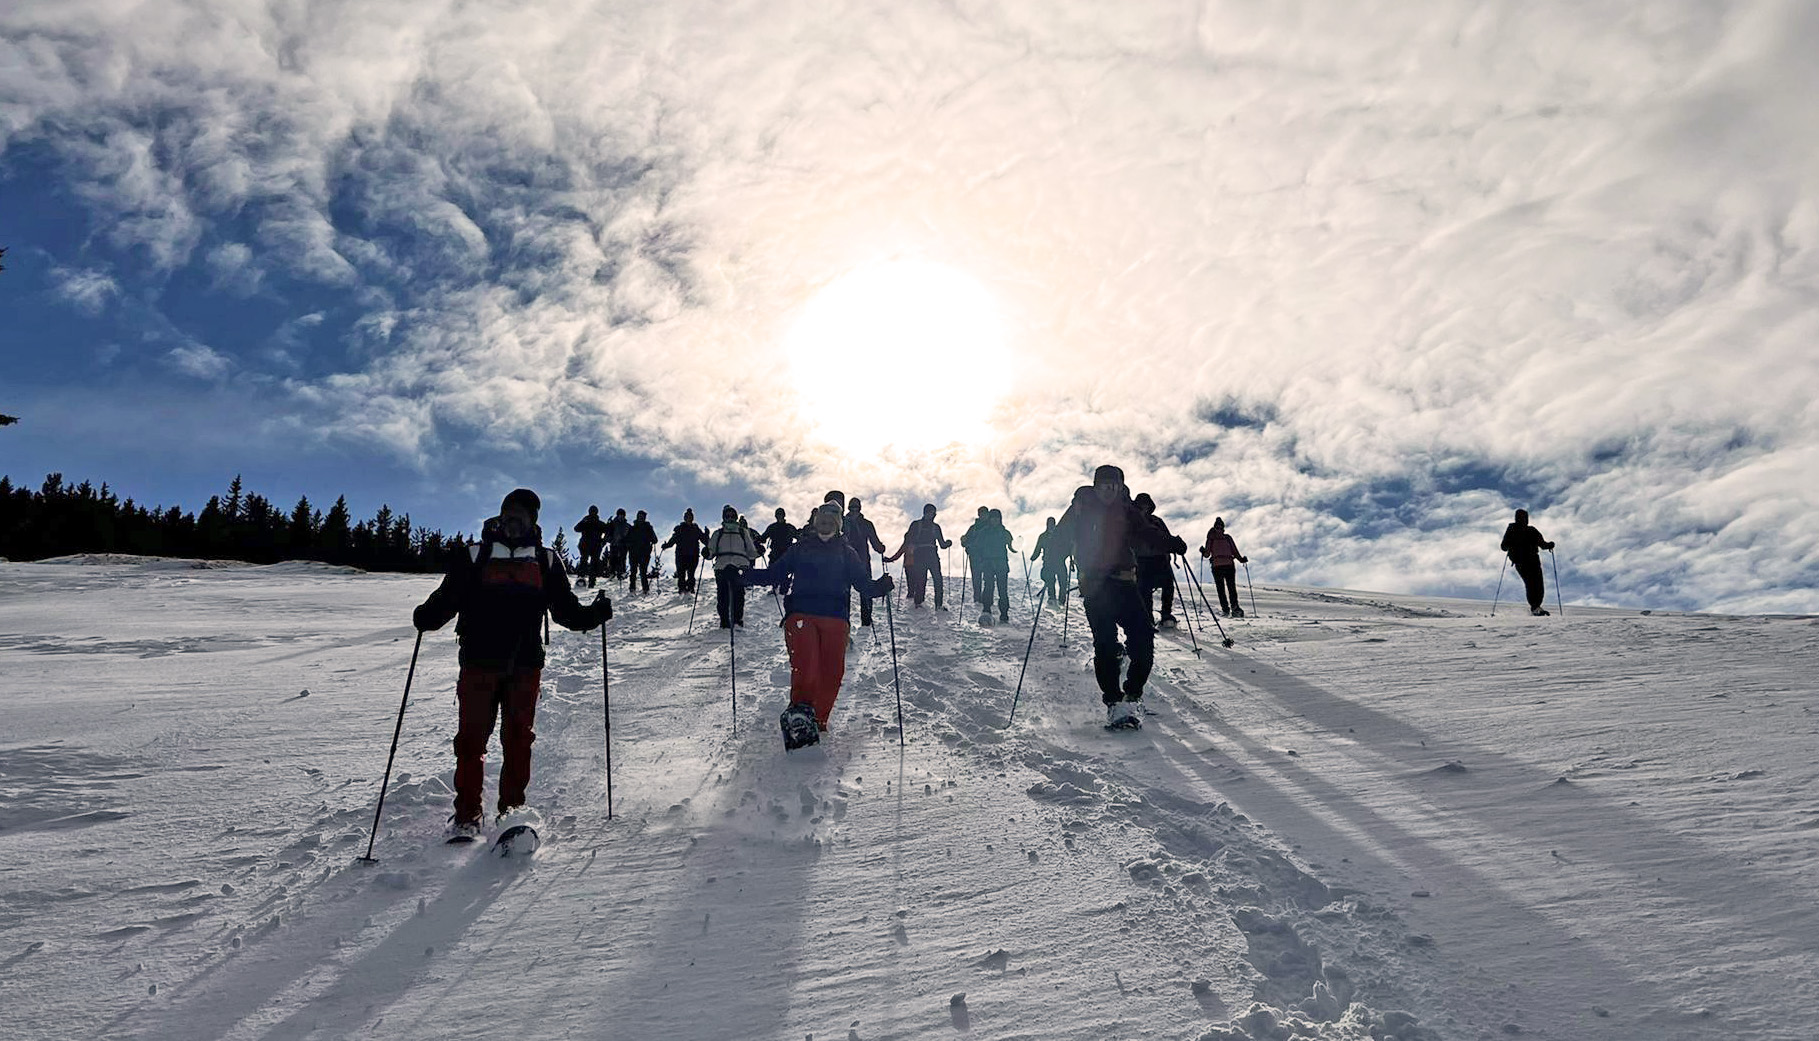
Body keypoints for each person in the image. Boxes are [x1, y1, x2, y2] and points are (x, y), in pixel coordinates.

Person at [412, 488, 612, 839]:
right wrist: (427, 617)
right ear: (500, 515)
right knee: (471, 740)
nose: (513, 520)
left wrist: (594, 614)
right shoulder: (474, 555)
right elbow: (447, 599)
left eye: (522, 514)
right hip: (477, 662)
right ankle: (467, 815)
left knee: (518, 739)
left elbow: (565, 612)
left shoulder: (546, 561)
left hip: (524, 665)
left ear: (534, 520)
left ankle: (512, 814)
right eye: (509, 512)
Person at [743, 503, 894, 748]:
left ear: (838, 525)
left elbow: (863, 585)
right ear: (816, 522)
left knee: (833, 674)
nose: (825, 523)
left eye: (831, 520)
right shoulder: (800, 548)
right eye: (822, 519)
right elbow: (775, 574)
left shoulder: (847, 552)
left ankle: (817, 721)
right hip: (802, 614)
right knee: (807, 666)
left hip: (836, 618)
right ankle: (799, 716)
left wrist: (880, 587)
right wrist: (742, 575)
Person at [1051, 465, 1154, 729]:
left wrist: (1170, 542)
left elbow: (1146, 533)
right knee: (1105, 642)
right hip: (1096, 586)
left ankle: (1133, 693)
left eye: (1115, 486)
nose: (1110, 490)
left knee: (1143, 638)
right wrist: (1053, 556)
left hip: (1125, 583)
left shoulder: (1127, 510)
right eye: (1105, 485)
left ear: (1121, 487)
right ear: (1096, 487)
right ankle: (1115, 703)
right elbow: (1061, 536)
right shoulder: (1081, 507)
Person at [1132, 493, 1188, 627]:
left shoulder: (1156, 520)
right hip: (1143, 559)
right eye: (1141, 505)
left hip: (1157, 558)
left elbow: (1166, 536)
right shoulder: (1137, 521)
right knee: (1146, 589)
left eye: (1146, 505)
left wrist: (1173, 544)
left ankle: (1164, 614)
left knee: (1167, 585)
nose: (1144, 507)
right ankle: (1150, 616)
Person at [887, 504, 952, 609]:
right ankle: (935, 604)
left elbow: (908, 539)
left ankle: (920, 602)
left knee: (923, 579)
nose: (933, 514)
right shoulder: (935, 527)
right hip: (931, 555)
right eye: (932, 512)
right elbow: (942, 544)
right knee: (935, 579)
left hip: (920, 555)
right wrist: (948, 543)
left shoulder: (916, 525)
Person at [707, 504, 759, 628]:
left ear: (735, 518)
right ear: (724, 518)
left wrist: (758, 552)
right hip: (722, 566)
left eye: (732, 516)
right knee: (723, 596)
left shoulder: (743, 532)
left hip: (740, 565)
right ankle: (724, 620)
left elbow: (751, 552)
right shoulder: (717, 534)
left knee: (738, 595)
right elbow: (711, 552)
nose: (730, 518)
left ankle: (737, 620)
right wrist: (707, 552)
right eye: (727, 516)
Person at [1500, 508, 1556, 616]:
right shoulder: (1521, 530)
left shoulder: (1516, 529)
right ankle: (1535, 607)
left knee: (1534, 584)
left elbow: (1503, 546)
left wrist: (1549, 545)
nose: (1523, 519)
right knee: (1534, 583)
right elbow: (1543, 544)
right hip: (1526, 561)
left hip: (1526, 561)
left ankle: (1536, 607)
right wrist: (1549, 545)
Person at [843, 497, 888, 626]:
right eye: (853, 508)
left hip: (847, 561)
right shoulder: (865, 524)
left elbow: (874, 542)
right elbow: (875, 542)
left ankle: (847, 620)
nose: (854, 510)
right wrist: (880, 548)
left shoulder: (843, 523)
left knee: (847, 591)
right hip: (861, 561)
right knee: (864, 589)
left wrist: (879, 548)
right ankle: (865, 620)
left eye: (855, 508)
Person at [970, 508, 1016, 624]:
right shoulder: (987, 532)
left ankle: (1003, 613)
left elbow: (1011, 546)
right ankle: (987, 610)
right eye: (993, 518)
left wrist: (1016, 547)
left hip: (998, 563)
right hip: (990, 563)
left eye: (997, 518)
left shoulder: (1002, 532)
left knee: (1002, 589)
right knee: (989, 587)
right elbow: (977, 546)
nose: (995, 520)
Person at [1199, 518, 1247, 617]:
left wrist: (1203, 551)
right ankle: (1235, 608)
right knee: (1231, 587)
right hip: (1229, 564)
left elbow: (1207, 554)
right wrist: (1241, 559)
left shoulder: (1211, 538)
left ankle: (1225, 609)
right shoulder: (1227, 538)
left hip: (1217, 566)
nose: (1219, 528)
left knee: (1220, 589)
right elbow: (1234, 551)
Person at [663, 509, 708, 595]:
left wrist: (706, 534)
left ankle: (690, 589)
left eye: (690, 517)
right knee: (681, 574)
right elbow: (673, 540)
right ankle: (682, 590)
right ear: (684, 518)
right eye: (687, 517)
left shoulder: (695, 529)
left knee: (691, 574)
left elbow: (705, 541)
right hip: (681, 555)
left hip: (693, 555)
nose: (689, 518)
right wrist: (666, 545)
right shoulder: (680, 529)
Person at [1030, 516, 1070, 606]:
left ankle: (1061, 600)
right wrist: (1033, 557)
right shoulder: (1043, 537)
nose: (1051, 526)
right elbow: (1038, 548)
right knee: (1050, 581)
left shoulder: (1060, 536)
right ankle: (1052, 598)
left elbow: (1067, 548)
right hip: (1049, 563)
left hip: (1059, 562)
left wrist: (1065, 556)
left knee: (1063, 582)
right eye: (1049, 524)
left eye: (1052, 524)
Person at [959, 506, 990, 605]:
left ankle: (984, 598)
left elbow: (965, 541)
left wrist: (966, 544)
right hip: (979, 556)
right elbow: (965, 541)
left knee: (986, 578)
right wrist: (965, 543)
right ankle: (979, 598)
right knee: (978, 578)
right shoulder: (975, 528)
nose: (983, 516)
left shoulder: (974, 528)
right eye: (981, 514)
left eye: (984, 514)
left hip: (982, 556)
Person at [623, 509, 659, 594]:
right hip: (634, 552)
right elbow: (627, 539)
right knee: (634, 571)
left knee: (642, 572)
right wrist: (625, 542)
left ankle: (645, 589)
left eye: (642, 517)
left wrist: (652, 539)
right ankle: (633, 589)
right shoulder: (633, 528)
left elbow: (655, 539)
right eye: (639, 517)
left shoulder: (648, 528)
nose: (641, 518)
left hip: (644, 553)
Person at [574, 506, 609, 589]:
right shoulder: (587, 521)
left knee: (592, 562)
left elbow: (607, 531)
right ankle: (582, 579)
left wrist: (603, 542)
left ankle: (591, 581)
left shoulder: (599, 523)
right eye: (592, 511)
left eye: (594, 511)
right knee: (585, 561)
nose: (592, 513)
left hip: (595, 546)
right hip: (586, 545)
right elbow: (576, 529)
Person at [604, 508, 633, 581]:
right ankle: (612, 572)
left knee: (622, 559)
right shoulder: (613, 524)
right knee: (613, 558)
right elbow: (608, 534)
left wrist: (627, 542)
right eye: (620, 515)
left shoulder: (627, 526)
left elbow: (631, 536)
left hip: (623, 545)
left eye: (622, 515)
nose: (621, 517)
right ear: (617, 515)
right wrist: (611, 540)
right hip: (614, 544)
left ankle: (622, 573)